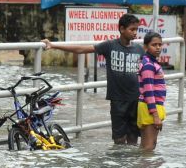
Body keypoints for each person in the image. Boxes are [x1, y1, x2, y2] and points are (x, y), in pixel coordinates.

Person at [42, 13, 142, 144]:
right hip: (117, 99)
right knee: (119, 139)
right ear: (122, 29)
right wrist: (53, 45)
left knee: (133, 137)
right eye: (132, 29)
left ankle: (131, 163)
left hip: (135, 99)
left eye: (137, 30)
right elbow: (81, 49)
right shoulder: (110, 46)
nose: (135, 33)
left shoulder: (139, 49)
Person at [137, 31, 166, 151]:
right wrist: (155, 115)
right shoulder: (149, 65)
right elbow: (148, 91)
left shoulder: (151, 62)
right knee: (149, 146)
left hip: (149, 106)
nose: (158, 47)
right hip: (150, 108)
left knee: (145, 146)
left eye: (160, 44)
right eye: (154, 45)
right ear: (145, 47)